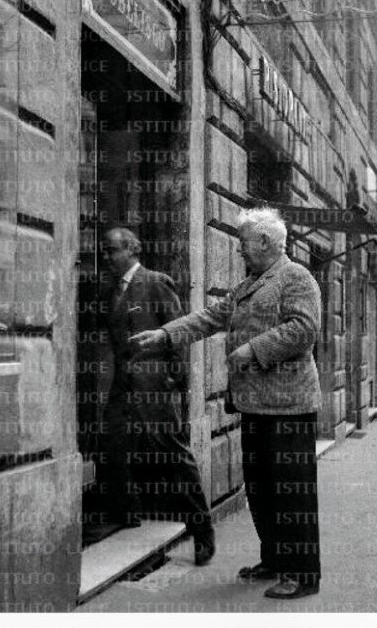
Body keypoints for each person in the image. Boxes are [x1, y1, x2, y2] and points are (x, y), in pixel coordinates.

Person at [131, 208, 322, 600]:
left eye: (243, 243)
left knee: (292, 493)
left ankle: (303, 574)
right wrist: (166, 335)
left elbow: (304, 329)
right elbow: (211, 316)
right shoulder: (251, 283)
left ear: (265, 242)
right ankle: (274, 558)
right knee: (261, 489)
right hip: (255, 406)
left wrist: (253, 349)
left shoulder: (296, 277)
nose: (239, 251)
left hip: (289, 407)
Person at [98, 227, 215, 565]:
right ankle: (126, 513)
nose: (106, 257)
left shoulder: (155, 282)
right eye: (104, 252)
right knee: (113, 445)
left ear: (132, 250)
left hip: (155, 388)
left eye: (111, 250)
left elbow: (177, 333)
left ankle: (202, 532)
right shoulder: (111, 290)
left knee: (175, 458)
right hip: (124, 385)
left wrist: (172, 381)